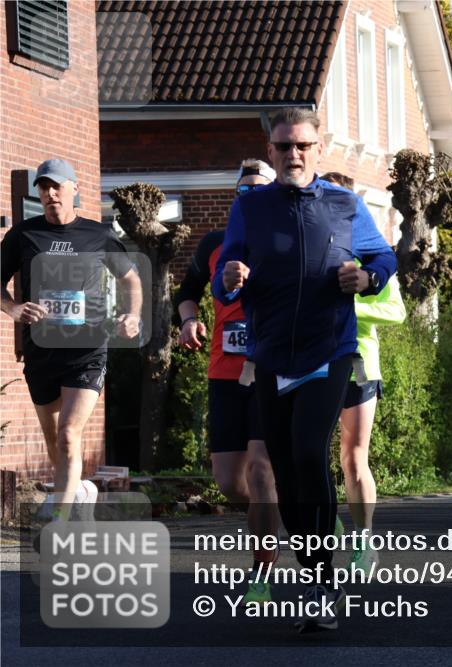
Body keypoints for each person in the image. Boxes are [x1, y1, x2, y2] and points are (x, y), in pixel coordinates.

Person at [212, 107, 397, 633]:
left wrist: (367, 277)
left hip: (327, 351)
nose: (292, 154)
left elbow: (384, 257)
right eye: (283, 146)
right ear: (270, 151)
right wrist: (230, 277)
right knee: (284, 468)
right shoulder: (251, 209)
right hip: (270, 353)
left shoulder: (345, 204)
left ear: (319, 149)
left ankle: (320, 582)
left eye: (301, 146)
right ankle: (315, 562)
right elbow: (224, 278)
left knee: (308, 451)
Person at [1, 158, 142, 525]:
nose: (49, 194)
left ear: (74, 190)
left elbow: (131, 280)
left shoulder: (98, 235)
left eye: (56, 187)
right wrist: (14, 309)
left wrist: (133, 315)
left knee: (68, 433)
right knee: (53, 439)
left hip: (87, 350)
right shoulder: (23, 235)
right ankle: (78, 488)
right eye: (43, 188)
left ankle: (61, 520)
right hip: (41, 352)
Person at [176, 159, 281, 603]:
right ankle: (283, 512)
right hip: (223, 372)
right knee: (227, 482)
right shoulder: (215, 245)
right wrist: (188, 321)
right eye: (243, 191)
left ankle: (262, 569)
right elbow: (186, 291)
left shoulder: (285, 243)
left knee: (260, 470)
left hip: (271, 371)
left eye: (259, 190)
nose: (250, 197)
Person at [319, 170, 407, 573]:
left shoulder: (372, 251)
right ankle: (332, 524)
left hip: (358, 364)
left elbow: (396, 310)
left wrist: (353, 305)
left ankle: (364, 541)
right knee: (306, 456)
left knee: (353, 457)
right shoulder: (311, 248)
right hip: (310, 363)